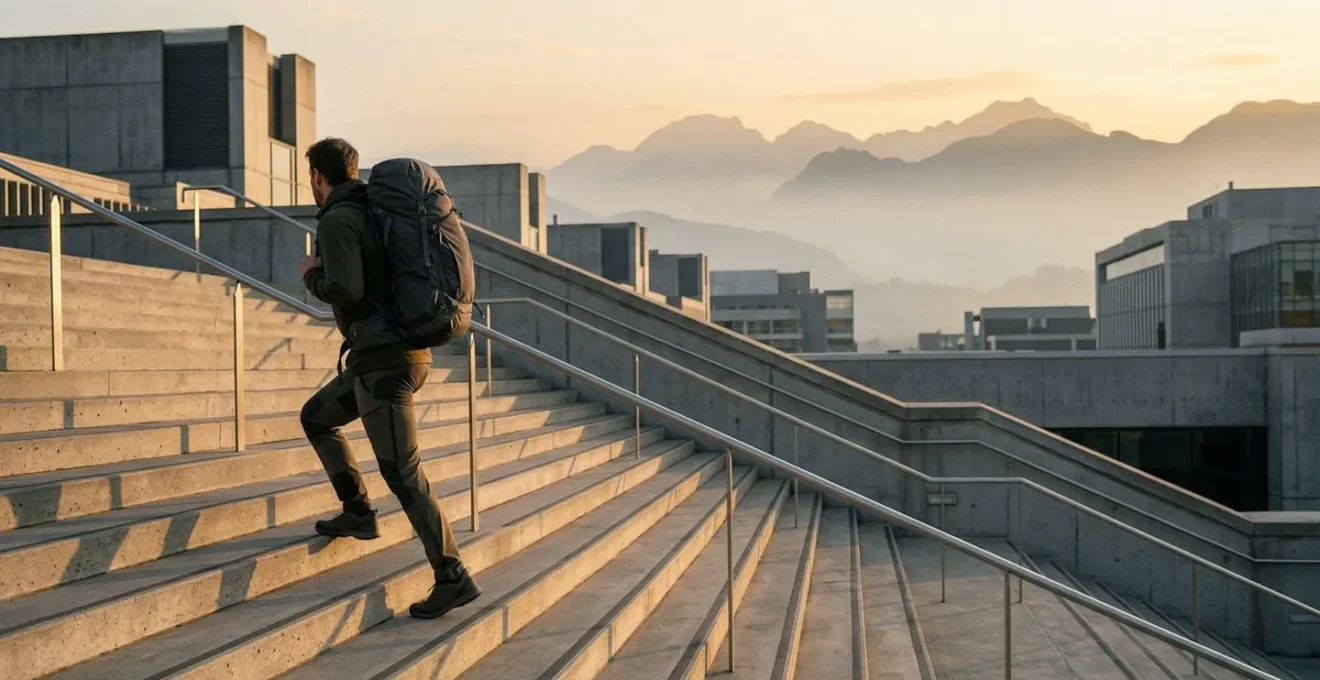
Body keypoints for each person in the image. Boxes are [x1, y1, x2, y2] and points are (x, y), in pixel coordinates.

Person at [298, 137, 481, 619]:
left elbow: (346, 288)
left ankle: (452, 576)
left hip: (386, 366)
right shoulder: (371, 209)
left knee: (403, 472)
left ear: (319, 176)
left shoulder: (339, 219)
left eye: (310, 177)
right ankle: (357, 511)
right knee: (317, 417)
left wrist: (311, 274)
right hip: (380, 360)